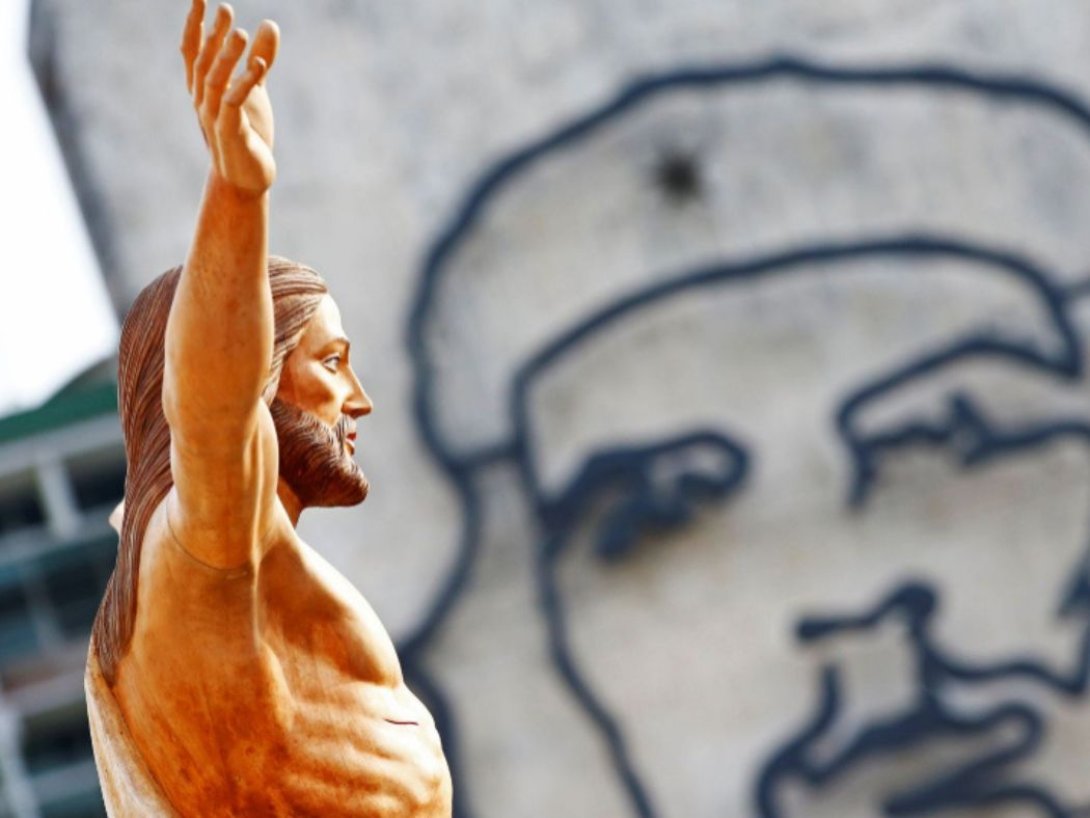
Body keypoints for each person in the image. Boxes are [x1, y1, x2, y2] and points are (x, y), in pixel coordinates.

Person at [84, 2, 453, 815]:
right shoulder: (203, 555)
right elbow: (213, 409)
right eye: (332, 363)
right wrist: (238, 194)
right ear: (256, 376)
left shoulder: (249, 586)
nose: (359, 400)